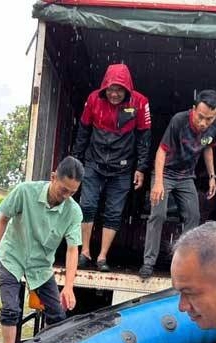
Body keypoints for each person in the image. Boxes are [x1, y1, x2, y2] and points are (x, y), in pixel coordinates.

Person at [0, 156, 83, 343]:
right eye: (63, 190)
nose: (66, 196)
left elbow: (72, 249)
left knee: (58, 315)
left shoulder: (73, 212)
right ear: (53, 177)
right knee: (11, 310)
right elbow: (2, 220)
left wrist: (69, 286)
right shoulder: (25, 191)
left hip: (41, 264)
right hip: (13, 255)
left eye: (72, 192)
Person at [72, 63, 151, 272]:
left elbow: (145, 139)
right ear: (104, 87)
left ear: (127, 89)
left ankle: (102, 257)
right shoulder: (93, 100)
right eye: (110, 89)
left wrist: (141, 168)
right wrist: (75, 161)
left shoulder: (140, 103)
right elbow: (83, 131)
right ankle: (85, 252)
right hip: (94, 163)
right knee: (87, 205)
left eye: (119, 89)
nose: (114, 94)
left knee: (114, 212)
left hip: (123, 167)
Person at [140, 90, 216, 279]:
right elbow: (161, 151)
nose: (203, 123)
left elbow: (208, 147)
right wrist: (158, 183)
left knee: (193, 215)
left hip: (186, 176)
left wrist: (212, 176)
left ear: (215, 115)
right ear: (193, 109)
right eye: (200, 117)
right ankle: (148, 263)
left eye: (209, 119)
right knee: (158, 214)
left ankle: (184, 265)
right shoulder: (179, 120)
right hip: (165, 172)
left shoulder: (215, 125)